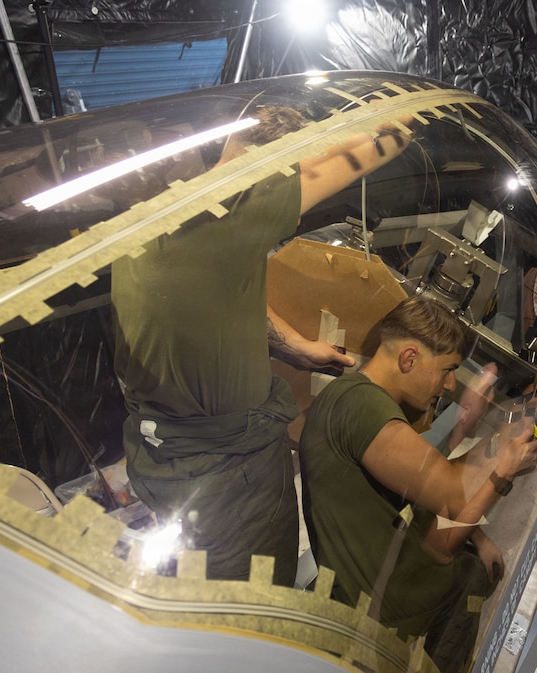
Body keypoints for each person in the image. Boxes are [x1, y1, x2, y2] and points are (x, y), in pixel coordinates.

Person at [112, 105, 412, 586]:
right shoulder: (235, 212)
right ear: (276, 171)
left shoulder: (171, 214)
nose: (294, 218)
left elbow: (222, 295)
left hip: (163, 457)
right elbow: (392, 134)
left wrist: (294, 346)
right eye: (294, 194)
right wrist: (400, 111)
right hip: (228, 481)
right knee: (255, 604)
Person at [298, 295, 537, 673]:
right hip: (372, 608)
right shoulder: (360, 405)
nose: (449, 384)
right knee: (470, 574)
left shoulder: (366, 400)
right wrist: (503, 461)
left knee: (474, 566)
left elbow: (429, 483)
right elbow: (453, 494)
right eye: (447, 370)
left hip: (373, 587)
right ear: (409, 359)